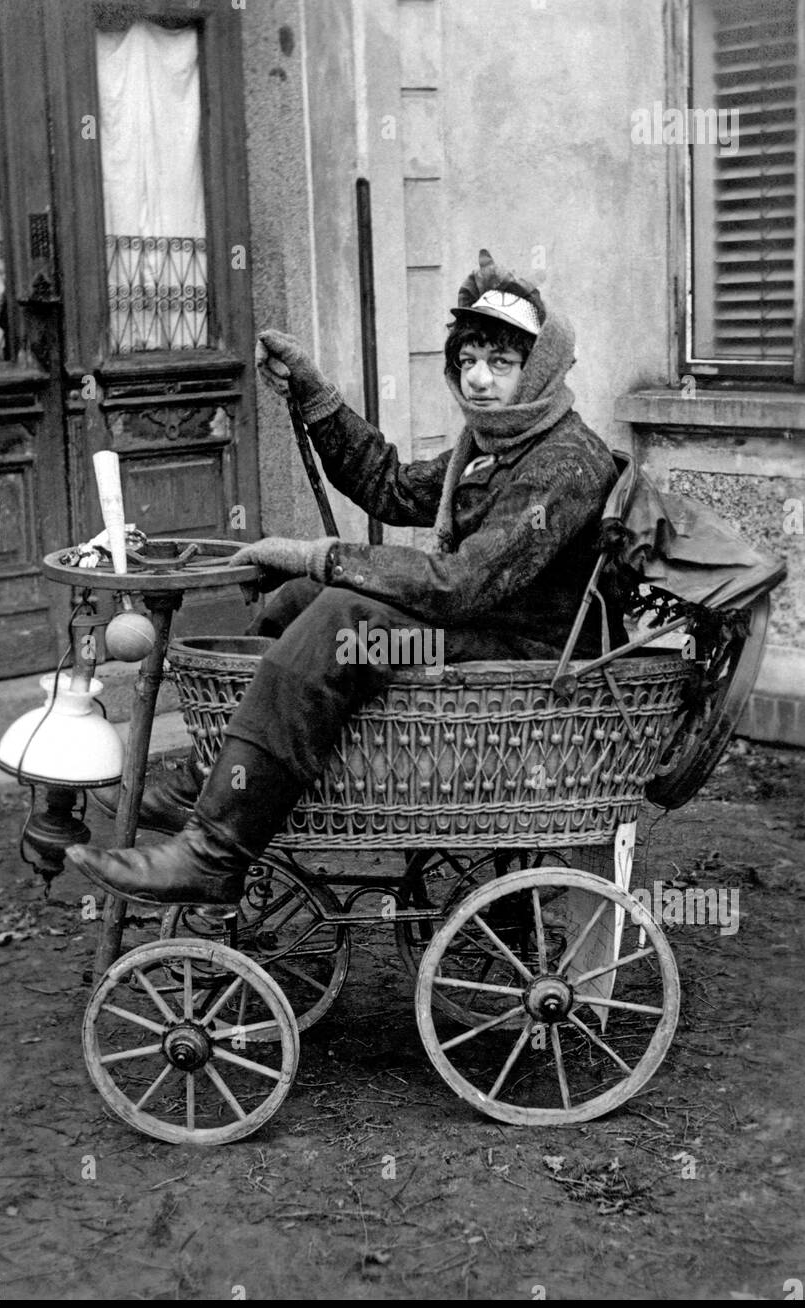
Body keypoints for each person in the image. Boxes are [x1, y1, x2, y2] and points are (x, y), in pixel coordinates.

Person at [69, 249, 623, 905]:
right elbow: (390, 486)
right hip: (483, 626)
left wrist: (322, 555)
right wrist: (314, 393)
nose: (478, 380)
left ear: (539, 370)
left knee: (346, 624)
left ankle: (213, 856)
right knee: (300, 601)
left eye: (501, 364)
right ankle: (220, 778)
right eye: (468, 361)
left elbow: (459, 585)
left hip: (531, 655)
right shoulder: (499, 445)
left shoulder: (562, 463)